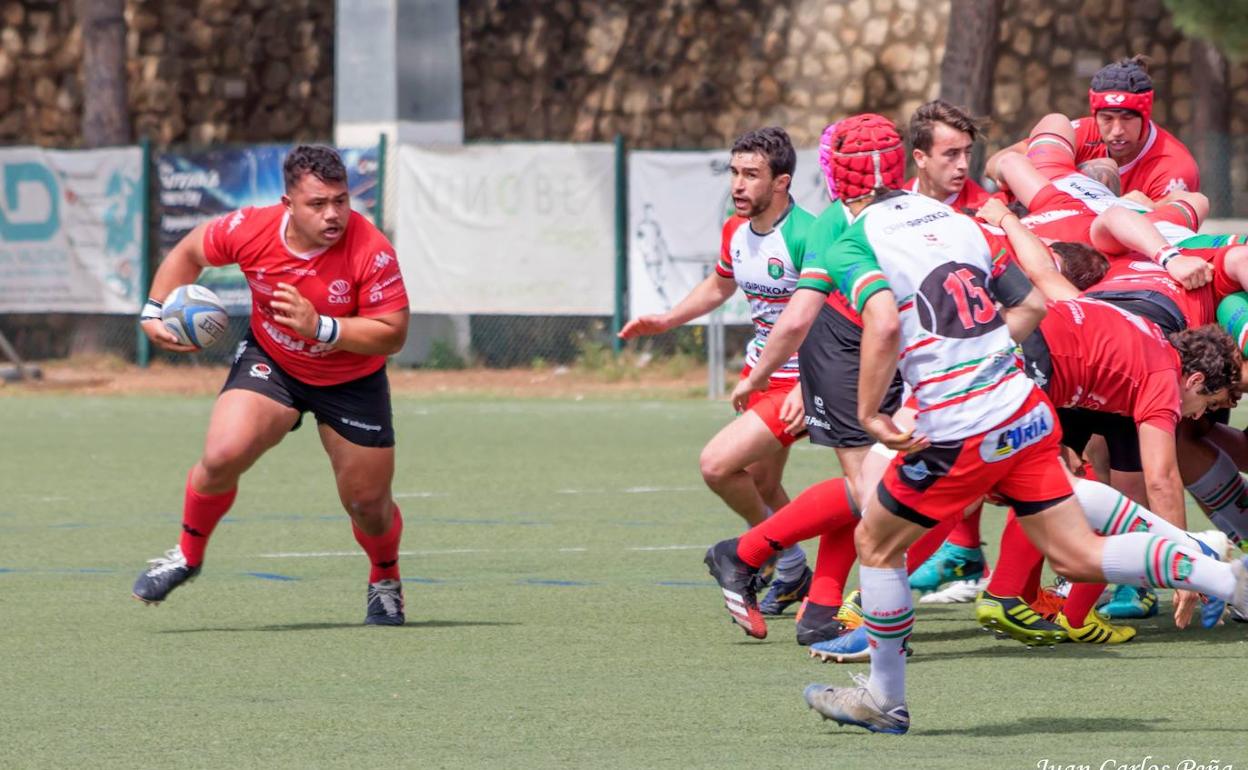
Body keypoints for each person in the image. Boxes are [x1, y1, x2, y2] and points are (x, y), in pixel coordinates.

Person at [783, 114, 1248, 735]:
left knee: (876, 538)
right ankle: (1224, 575)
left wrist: (871, 411)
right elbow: (1032, 299)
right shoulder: (959, 221)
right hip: (1023, 407)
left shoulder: (850, 234)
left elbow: (882, 325)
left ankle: (885, 698)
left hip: (966, 419)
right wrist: (992, 357)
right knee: (1077, 551)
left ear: (834, 180)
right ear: (905, 163)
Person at [131, 145, 412, 626]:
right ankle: (186, 555)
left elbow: (393, 332)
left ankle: (384, 578)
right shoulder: (250, 229)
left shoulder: (371, 249)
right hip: (273, 363)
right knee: (222, 454)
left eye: (341, 201)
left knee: (368, 506)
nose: (333, 214)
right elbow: (189, 251)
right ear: (287, 205)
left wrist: (320, 326)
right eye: (317, 204)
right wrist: (153, 311)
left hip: (351, 380)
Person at [620, 127, 815, 617]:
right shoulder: (735, 228)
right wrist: (666, 319)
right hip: (761, 373)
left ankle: (777, 555)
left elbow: (832, 316)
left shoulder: (808, 234)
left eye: (751, 174)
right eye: (734, 173)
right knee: (762, 483)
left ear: (782, 182)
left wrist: (811, 384)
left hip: (801, 382)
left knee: (717, 466)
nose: (738, 185)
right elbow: (719, 285)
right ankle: (792, 571)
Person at [989, 55, 1199, 199]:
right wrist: (1014, 171)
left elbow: (1171, 237)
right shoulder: (1082, 132)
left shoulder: (1175, 165)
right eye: (1107, 119)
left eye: (1127, 119)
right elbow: (995, 163)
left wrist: (1148, 210)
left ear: (1145, 116)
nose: (1116, 130)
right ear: (1095, 116)